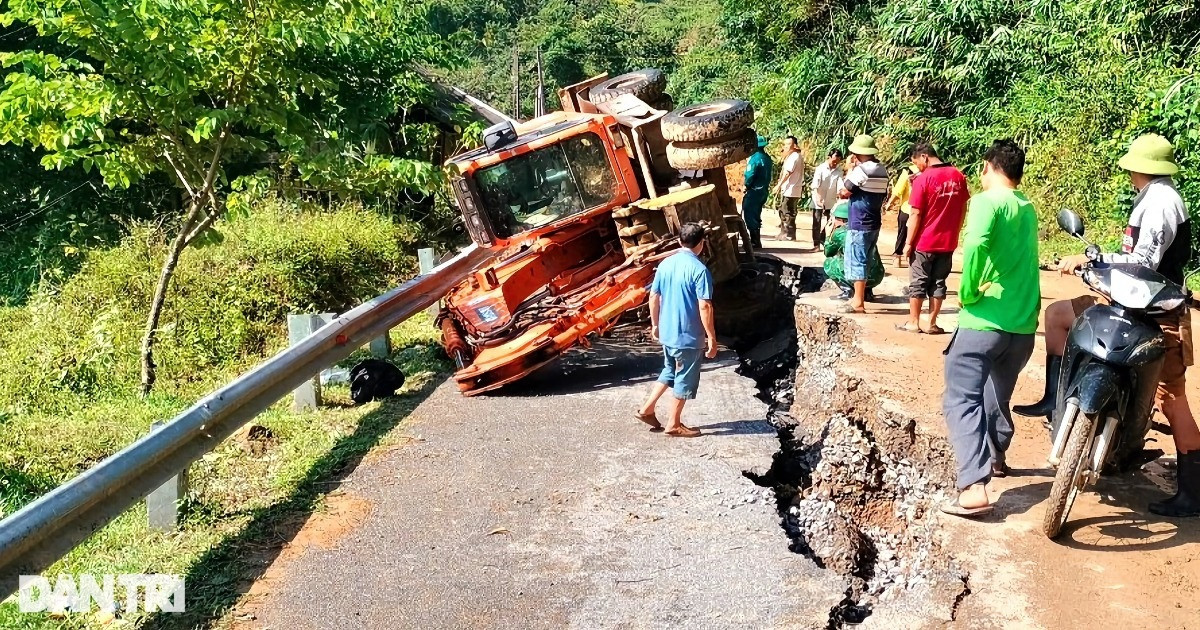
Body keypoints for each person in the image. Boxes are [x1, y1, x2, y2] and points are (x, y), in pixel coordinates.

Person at [1014, 133, 1200, 518]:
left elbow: (1144, 261)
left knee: (1171, 399)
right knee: (1060, 316)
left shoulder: (1162, 202)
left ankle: (1193, 492)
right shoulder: (1152, 196)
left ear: (1141, 166)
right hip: (1126, 297)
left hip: (1154, 309)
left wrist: (1091, 260)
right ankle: (1056, 397)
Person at [940, 139, 1041, 516]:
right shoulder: (1027, 207)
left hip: (984, 321)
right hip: (1021, 325)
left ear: (987, 167)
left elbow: (977, 245)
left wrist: (967, 291)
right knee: (996, 392)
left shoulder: (986, 202)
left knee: (961, 397)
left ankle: (973, 487)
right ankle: (996, 458)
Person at [636, 223, 719, 438]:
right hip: (688, 336)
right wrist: (711, 337)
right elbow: (705, 306)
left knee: (670, 370)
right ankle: (673, 424)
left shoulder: (665, 264)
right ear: (701, 243)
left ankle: (646, 409)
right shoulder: (700, 270)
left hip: (668, 332)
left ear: (679, 241)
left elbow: (654, 297)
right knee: (684, 377)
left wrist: (655, 325)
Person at [899, 141, 970, 335]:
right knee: (939, 281)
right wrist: (956, 229)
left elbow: (915, 214)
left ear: (924, 157)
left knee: (918, 281)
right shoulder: (958, 176)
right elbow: (963, 206)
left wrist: (908, 243)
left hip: (924, 241)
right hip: (948, 241)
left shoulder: (924, 179)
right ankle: (931, 323)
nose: (918, 167)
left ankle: (913, 322)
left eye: (917, 163)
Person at [838, 134, 889, 314]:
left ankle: (858, 301)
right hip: (874, 221)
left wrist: (851, 169)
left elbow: (844, 191)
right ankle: (858, 297)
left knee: (856, 259)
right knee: (866, 258)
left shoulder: (862, 170)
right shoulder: (882, 170)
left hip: (859, 221)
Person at [824, 200, 883, 300]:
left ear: (841, 219)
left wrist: (828, 235)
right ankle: (867, 292)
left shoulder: (841, 232)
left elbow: (828, 252)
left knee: (829, 263)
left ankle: (848, 291)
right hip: (876, 276)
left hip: (858, 275)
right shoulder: (864, 229)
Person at [886, 163, 920, 268]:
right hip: (920, 210)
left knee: (902, 234)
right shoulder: (926, 172)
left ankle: (897, 257)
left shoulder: (907, 172)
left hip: (907, 209)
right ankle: (914, 259)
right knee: (917, 235)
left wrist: (889, 203)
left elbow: (898, 191)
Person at [742, 136, 772, 248]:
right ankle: (756, 239)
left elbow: (750, 174)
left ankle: (754, 241)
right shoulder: (766, 158)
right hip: (763, 190)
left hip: (754, 190)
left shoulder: (755, 158)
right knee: (756, 214)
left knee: (749, 214)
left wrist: (746, 185)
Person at [811, 149, 844, 248]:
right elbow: (815, 184)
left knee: (831, 222)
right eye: (834, 161)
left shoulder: (839, 171)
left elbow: (840, 185)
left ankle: (824, 239)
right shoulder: (820, 169)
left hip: (831, 200)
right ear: (828, 158)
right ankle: (816, 244)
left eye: (838, 162)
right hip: (818, 198)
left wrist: (840, 196)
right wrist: (818, 198)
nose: (835, 164)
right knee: (817, 221)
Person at [774, 136, 805, 242]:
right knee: (784, 210)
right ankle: (784, 233)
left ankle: (789, 234)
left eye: (788, 144)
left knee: (787, 212)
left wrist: (778, 185)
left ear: (794, 145)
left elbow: (788, 172)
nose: (786, 147)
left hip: (791, 189)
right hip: (790, 188)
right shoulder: (794, 156)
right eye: (785, 144)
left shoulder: (794, 157)